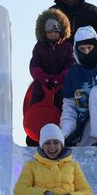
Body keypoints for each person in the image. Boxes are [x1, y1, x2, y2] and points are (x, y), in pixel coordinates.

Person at [25, 8, 75, 146]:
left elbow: (70, 64)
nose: (52, 34)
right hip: (41, 87)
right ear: (44, 32)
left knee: (60, 111)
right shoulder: (39, 47)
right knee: (37, 110)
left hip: (60, 87)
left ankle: (61, 139)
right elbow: (34, 64)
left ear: (61, 31)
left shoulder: (67, 47)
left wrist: (61, 78)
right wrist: (42, 77)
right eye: (49, 32)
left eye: (55, 31)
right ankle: (34, 138)